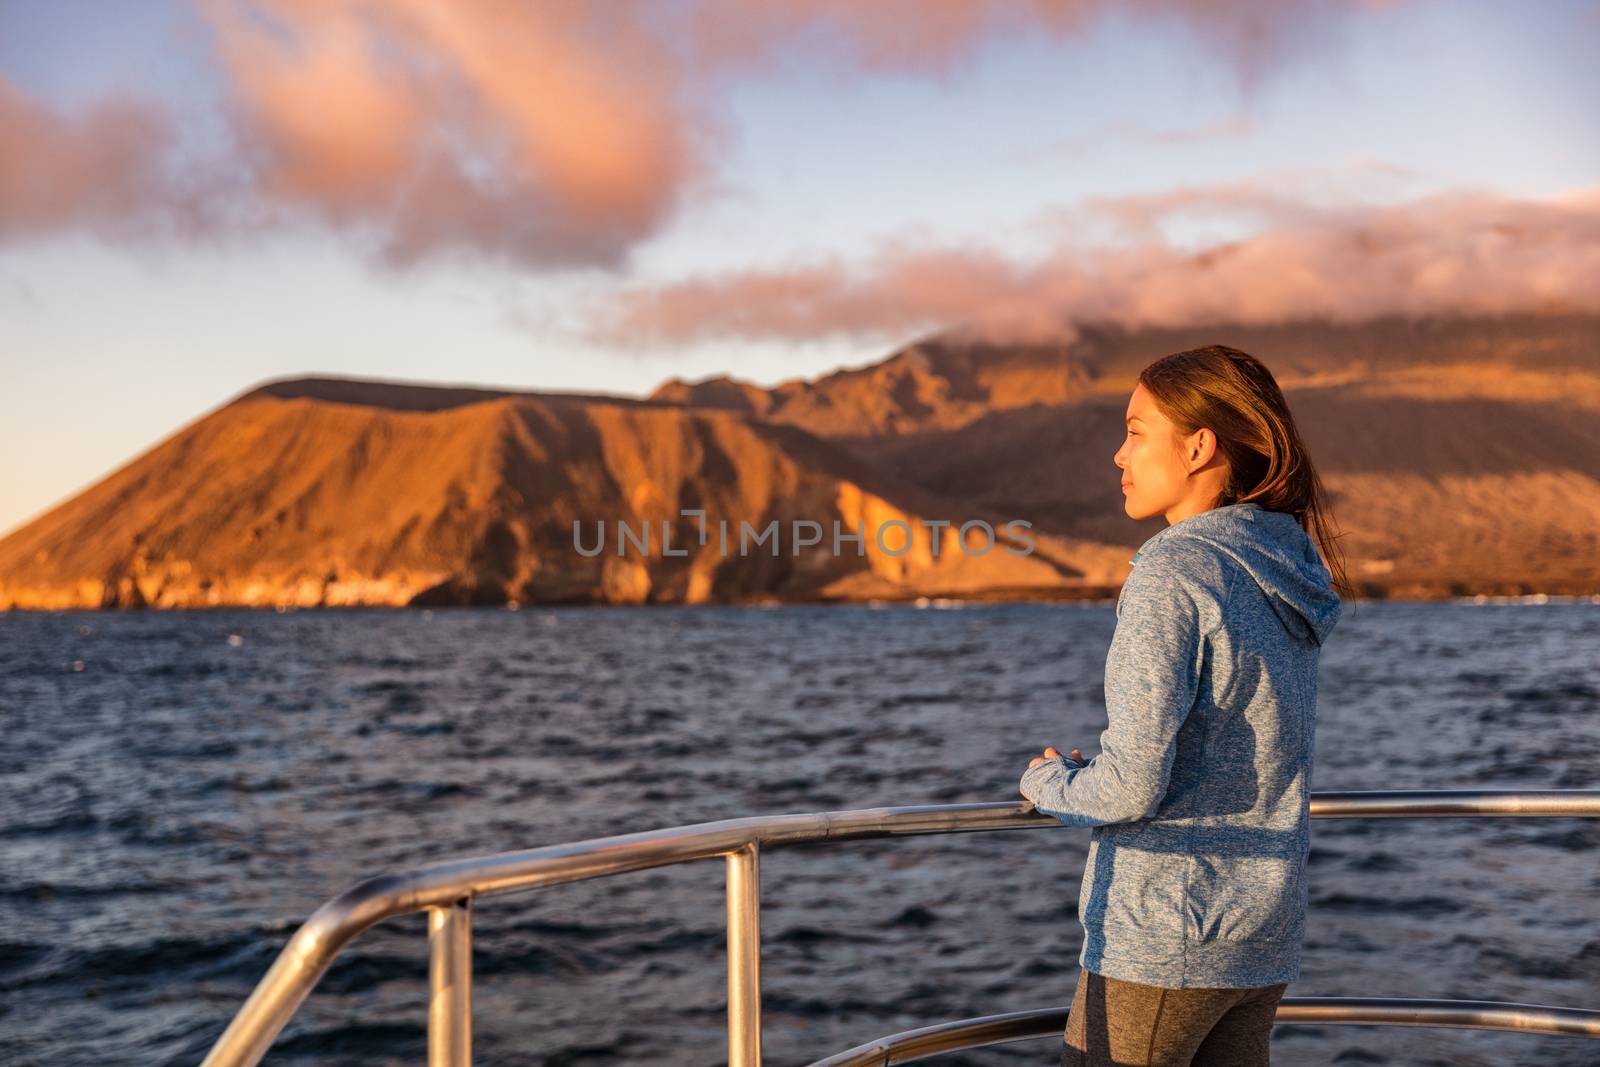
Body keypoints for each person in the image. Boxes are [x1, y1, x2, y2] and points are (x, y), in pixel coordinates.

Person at [1018, 344, 1355, 1067]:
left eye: (1137, 431)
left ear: (1200, 445)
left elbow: (1132, 783)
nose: (1119, 454)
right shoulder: (1284, 565)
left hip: (1166, 933)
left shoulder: (1175, 569)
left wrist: (1051, 784)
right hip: (1261, 931)